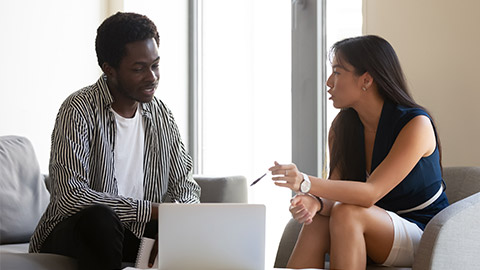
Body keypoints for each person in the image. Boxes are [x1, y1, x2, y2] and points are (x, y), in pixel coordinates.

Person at [29, 12, 200, 270]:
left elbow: (185, 185)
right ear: (109, 69)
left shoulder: (161, 114)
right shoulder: (79, 109)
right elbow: (70, 197)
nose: (152, 77)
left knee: (190, 230)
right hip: (74, 231)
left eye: (155, 65)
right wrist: (154, 211)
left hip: (132, 232)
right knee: (101, 220)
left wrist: (174, 218)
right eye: (139, 69)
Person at [269, 35, 449, 270]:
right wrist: (316, 203)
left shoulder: (415, 125)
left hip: (423, 232)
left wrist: (305, 183)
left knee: (347, 212)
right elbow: (335, 188)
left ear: (366, 79)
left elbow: (369, 193)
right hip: (368, 223)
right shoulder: (342, 127)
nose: (328, 82)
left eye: (337, 72)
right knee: (319, 219)